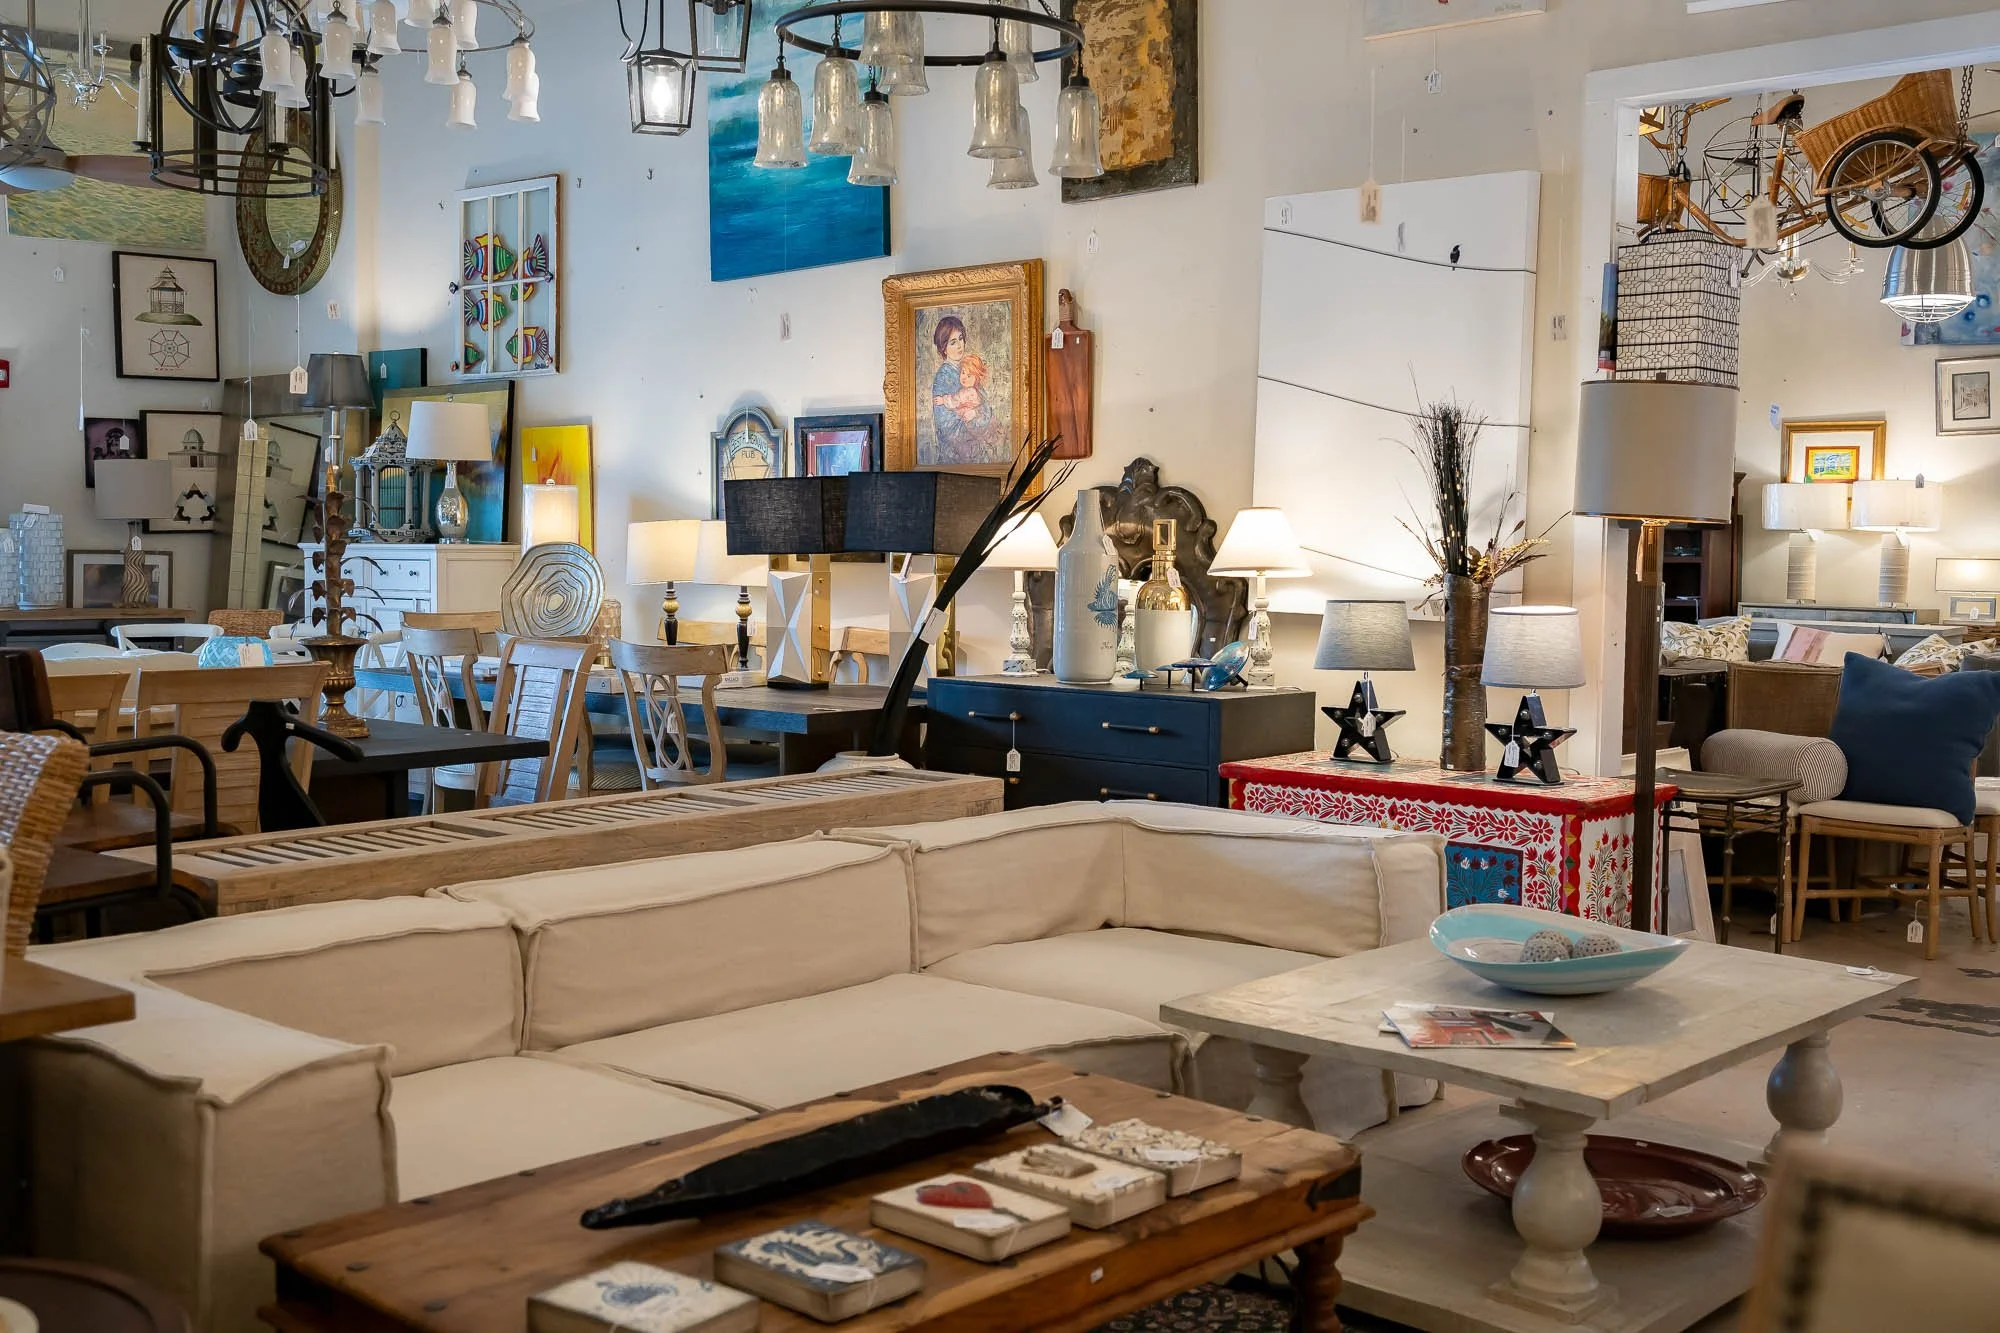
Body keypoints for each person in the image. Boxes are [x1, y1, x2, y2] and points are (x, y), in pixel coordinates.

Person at [928, 314, 999, 464]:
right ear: (944, 348)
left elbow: (985, 407)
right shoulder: (942, 378)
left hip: (978, 452)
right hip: (955, 459)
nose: (960, 345)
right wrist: (975, 427)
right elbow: (946, 426)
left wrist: (978, 414)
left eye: (961, 339)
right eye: (953, 342)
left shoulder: (969, 368)